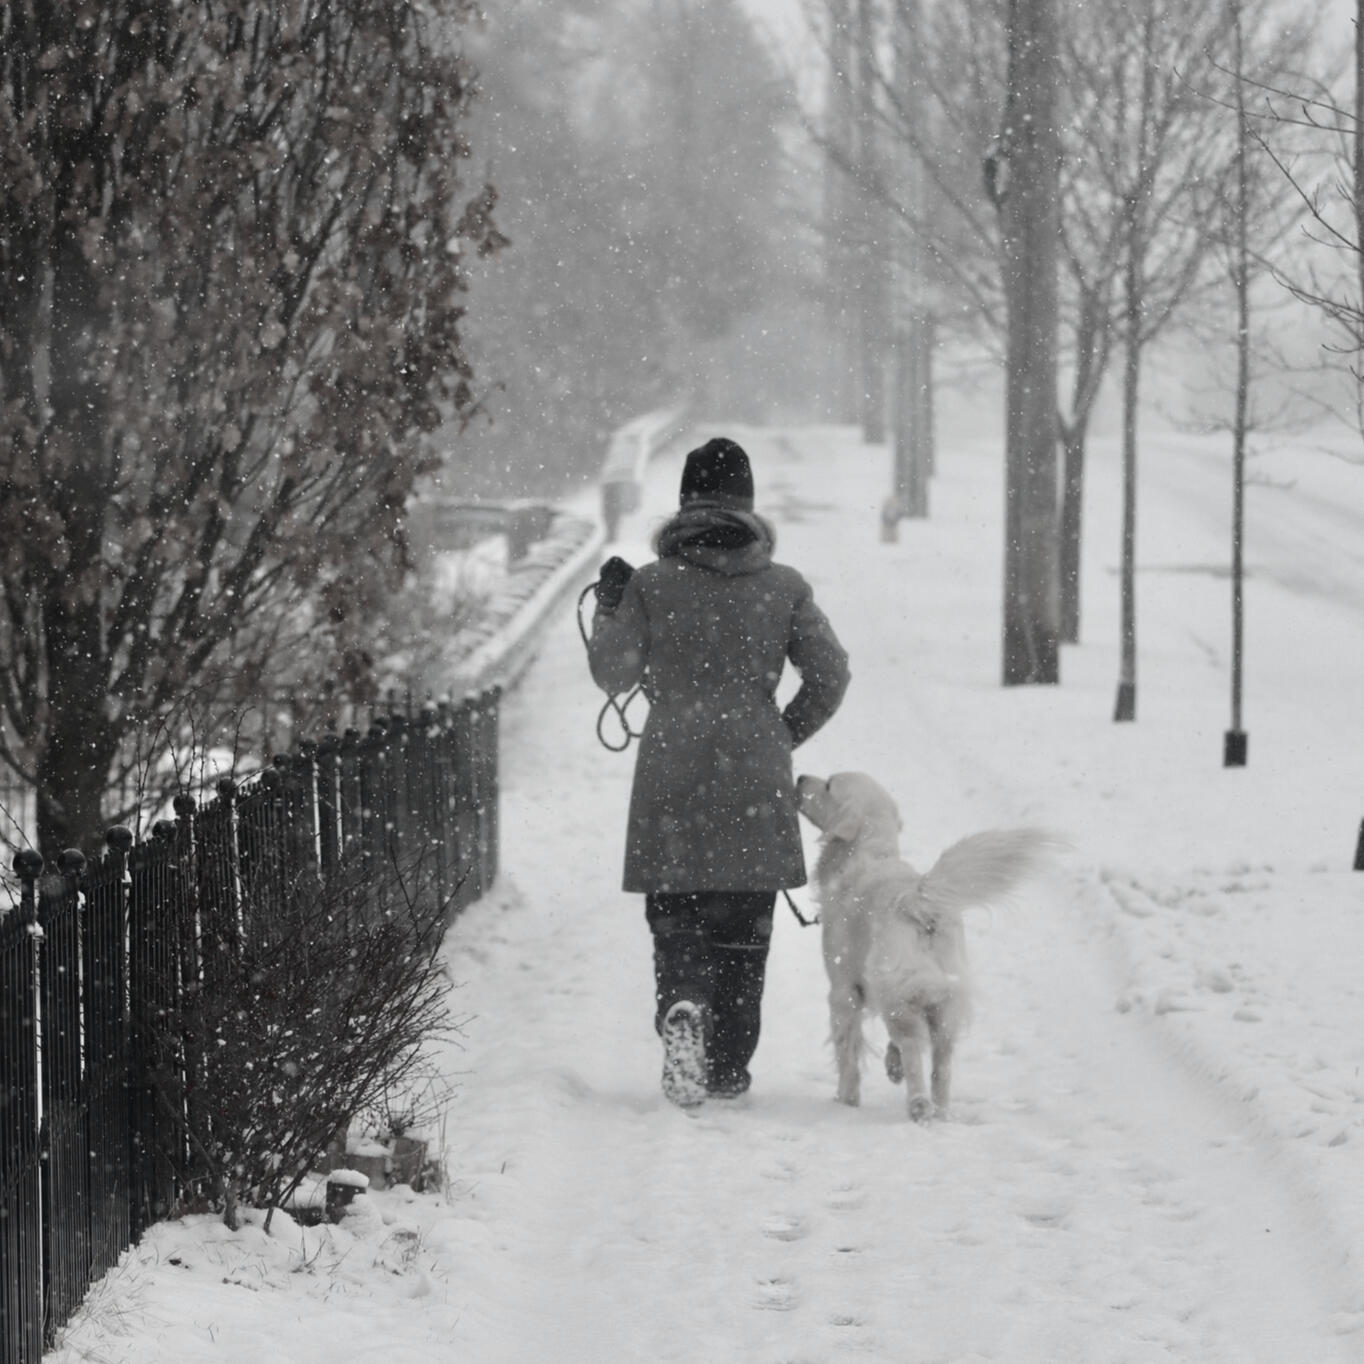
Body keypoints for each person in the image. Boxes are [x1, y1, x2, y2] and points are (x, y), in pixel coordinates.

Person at [586, 436, 850, 1108]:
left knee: (676, 915)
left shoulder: (650, 584)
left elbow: (613, 673)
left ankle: (682, 1003)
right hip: (754, 773)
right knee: (744, 930)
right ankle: (729, 1064)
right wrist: (778, 734)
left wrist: (612, 607)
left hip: (672, 762)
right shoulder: (784, 586)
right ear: (749, 506)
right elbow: (831, 673)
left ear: (684, 504)